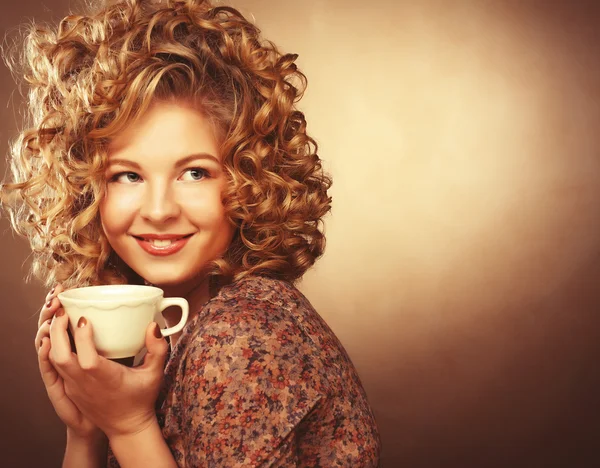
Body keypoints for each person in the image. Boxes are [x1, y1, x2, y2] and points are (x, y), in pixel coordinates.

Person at [1, 0, 381, 466]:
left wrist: (128, 425)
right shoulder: (181, 327)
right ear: (85, 191)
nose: (159, 211)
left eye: (195, 173)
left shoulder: (244, 335)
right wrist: (88, 430)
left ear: (249, 181)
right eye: (127, 175)